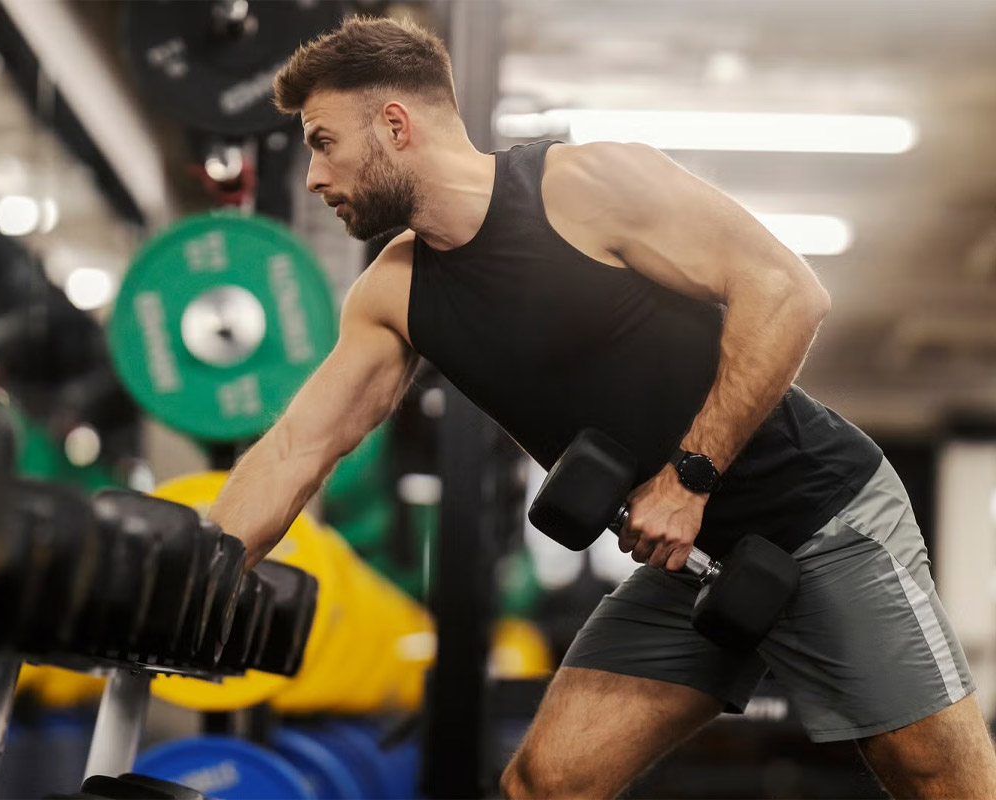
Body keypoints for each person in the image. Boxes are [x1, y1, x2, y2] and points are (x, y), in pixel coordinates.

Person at [206, 15, 996, 799]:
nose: (314, 177)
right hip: (690, 562)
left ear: (395, 124)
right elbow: (297, 449)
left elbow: (788, 292)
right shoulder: (393, 293)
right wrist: (193, 583)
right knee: (545, 783)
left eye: (323, 143)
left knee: (939, 781)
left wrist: (688, 479)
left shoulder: (585, 187)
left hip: (822, 517)